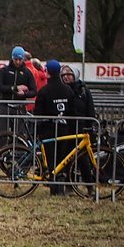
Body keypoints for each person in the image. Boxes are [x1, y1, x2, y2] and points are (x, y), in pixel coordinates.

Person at [33, 59, 75, 194]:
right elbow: (72, 110)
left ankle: (53, 188)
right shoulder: (68, 89)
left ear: (48, 73)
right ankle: (60, 187)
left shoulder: (44, 91)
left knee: (51, 159)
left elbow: (38, 112)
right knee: (62, 159)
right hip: (64, 129)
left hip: (48, 129)